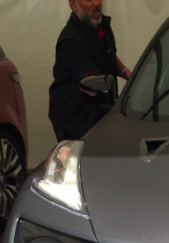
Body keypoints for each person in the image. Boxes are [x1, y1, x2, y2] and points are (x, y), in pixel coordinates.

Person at [49, 0, 131, 142]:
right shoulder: (71, 41)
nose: (97, 3)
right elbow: (95, 83)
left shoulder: (101, 26)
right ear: (74, 4)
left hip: (99, 112)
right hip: (76, 120)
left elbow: (109, 55)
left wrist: (127, 74)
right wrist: (123, 104)